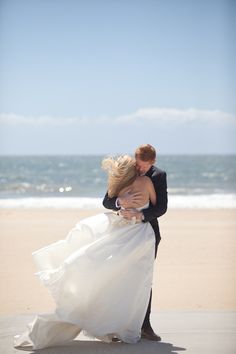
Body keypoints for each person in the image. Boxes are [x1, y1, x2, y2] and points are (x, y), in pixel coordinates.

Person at [14, 155, 159, 350]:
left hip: (132, 234)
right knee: (132, 283)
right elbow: (119, 202)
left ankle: (133, 325)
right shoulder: (140, 183)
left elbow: (159, 208)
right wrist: (121, 204)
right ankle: (123, 325)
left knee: (125, 281)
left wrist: (137, 212)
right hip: (139, 236)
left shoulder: (126, 183)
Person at [103, 144, 168, 341]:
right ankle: (116, 322)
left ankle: (145, 325)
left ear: (153, 162)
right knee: (121, 276)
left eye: (143, 166)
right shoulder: (128, 171)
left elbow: (161, 207)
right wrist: (120, 204)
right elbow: (106, 201)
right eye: (137, 165)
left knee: (145, 279)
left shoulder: (159, 175)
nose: (139, 169)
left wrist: (140, 215)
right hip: (123, 235)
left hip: (147, 233)